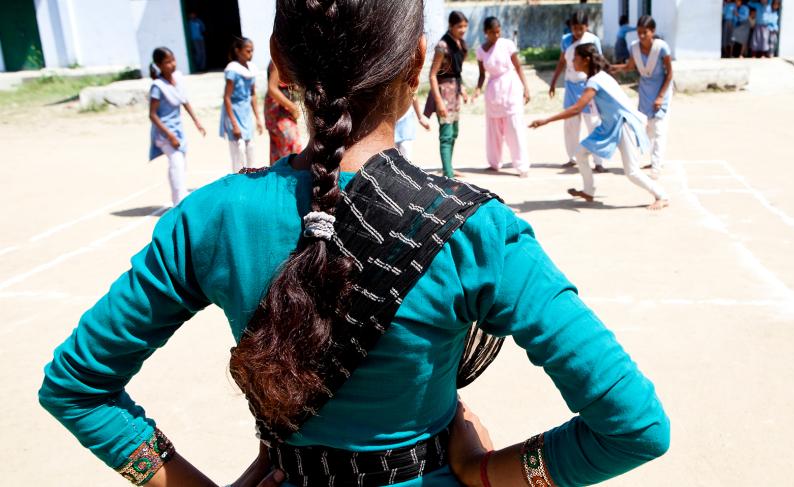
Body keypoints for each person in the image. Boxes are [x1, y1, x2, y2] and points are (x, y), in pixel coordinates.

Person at [39, 2, 670, 487]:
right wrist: (483, 470)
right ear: (419, 61)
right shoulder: (479, 234)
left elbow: (75, 385)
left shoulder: (209, 217)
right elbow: (634, 427)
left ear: (280, 64)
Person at [532, 43, 671, 210]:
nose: (572, 61)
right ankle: (589, 191)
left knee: (632, 171)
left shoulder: (595, 81)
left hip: (623, 126)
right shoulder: (599, 77)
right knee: (581, 153)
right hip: (608, 127)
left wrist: (546, 120)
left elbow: (577, 108)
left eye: (575, 58)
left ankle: (662, 196)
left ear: (586, 60)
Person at [612, 15, 673, 179]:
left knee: (659, 128)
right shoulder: (635, 48)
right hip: (645, 90)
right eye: (639, 32)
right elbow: (630, 66)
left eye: (644, 32)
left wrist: (660, 97)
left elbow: (669, 74)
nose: (641, 36)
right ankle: (649, 160)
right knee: (646, 127)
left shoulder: (662, 48)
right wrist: (612, 68)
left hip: (662, 89)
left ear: (652, 31)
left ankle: (657, 165)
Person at [147, 47, 205, 206]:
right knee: (176, 162)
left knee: (181, 163)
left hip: (177, 129)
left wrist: (196, 122)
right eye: (167, 62)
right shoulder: (158, 86)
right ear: (159, 65)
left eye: (173, 60)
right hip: (165, 133)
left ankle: (180, 195)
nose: (172, 64)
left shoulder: (177, 80)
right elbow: (152, 115)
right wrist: (169, 135)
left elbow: (184, 101)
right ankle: (178, 201)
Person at [549, 10, 606, 172]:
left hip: (587, 85)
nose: (578, 32)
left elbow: (599, 63)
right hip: (570, 85)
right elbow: (562, 62)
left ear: (586, 27)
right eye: (575, 28)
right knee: (571, 125)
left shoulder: (592, 40)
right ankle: (572, 157)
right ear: (571, 27)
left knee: (593, 123)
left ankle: (598, 161)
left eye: (581, 29)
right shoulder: (565, 40)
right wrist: (553, 82)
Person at [476, 16, 531, 177]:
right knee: (493, 129)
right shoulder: (480, 51)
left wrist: (526, 88)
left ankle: (522, 166)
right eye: (493, 32)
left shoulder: (507, 45)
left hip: (511, 88)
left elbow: (519, 67)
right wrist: (477, 89)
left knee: (514, 127)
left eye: (498, 31)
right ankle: (494, 163)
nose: (496, 35)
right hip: (493, 92)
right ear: (486, 32)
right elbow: (481, 75)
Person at [425, 11, 469, 178]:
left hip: (455, 94)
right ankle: (448, 175)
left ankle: (448, 168)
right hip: (444, 94)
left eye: (465, 26)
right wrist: (439, 102)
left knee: (454, 133)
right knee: (446, 135)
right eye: (459, 26)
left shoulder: (460, 44)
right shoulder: (443, 46)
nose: (463, 29)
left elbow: (457, 73)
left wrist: (462, 89)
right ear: (451, 26)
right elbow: (432, 75)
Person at [220, 37, 263, 172]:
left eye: (252, 51)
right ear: (238, 51)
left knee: (250, 148)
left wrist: (258, 118)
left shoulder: (251, 70)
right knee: (238, 150)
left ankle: (248, 180)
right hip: (234, 112)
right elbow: (227, 98)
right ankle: (236, 182)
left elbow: (253, 95)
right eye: (248, 51)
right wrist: (234, 124)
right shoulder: (232, 70)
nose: (250, 54)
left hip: (245, 113)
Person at [265, 60, 303, 164]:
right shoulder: (278, 58)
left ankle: (278, 177)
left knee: (279, 150)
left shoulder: (284, 59)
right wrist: (293, 108)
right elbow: (272, 88)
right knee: (292, 146)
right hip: (278, 110)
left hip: (279, 107)